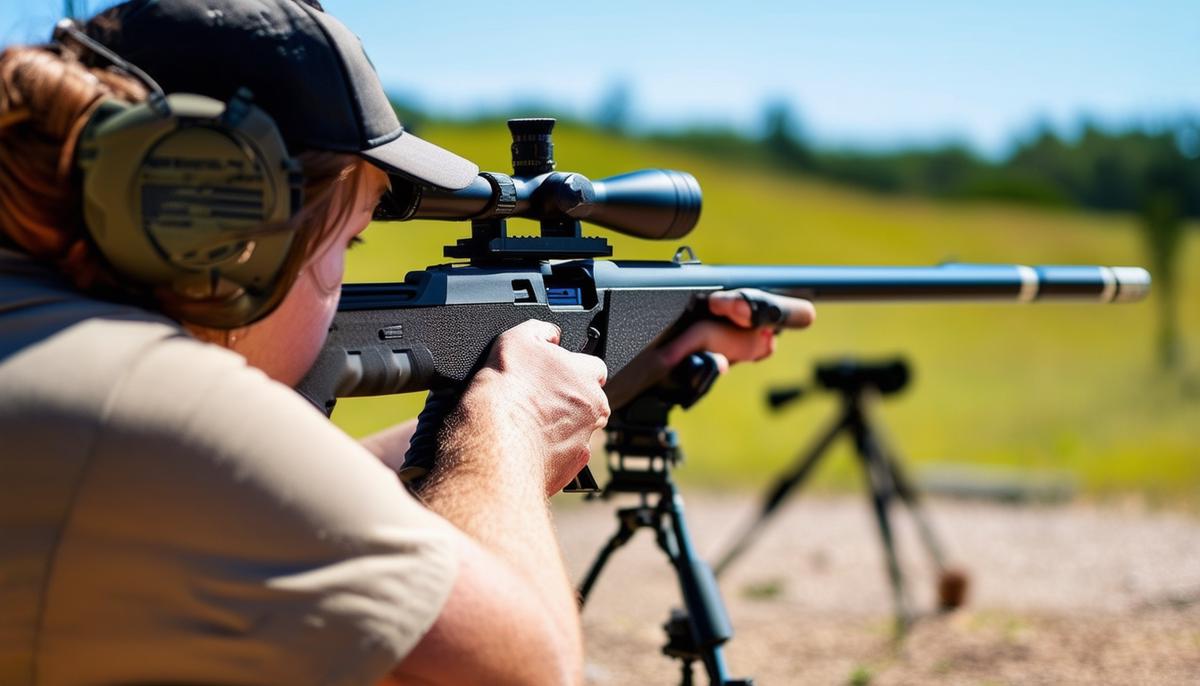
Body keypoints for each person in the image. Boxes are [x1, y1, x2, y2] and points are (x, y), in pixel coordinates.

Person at [0, 1, 815, 684]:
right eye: (347, 245)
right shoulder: (146, 407)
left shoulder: (58, 352)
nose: (344, 274)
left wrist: (601, 378)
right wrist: (514, 429)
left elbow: (291, 496)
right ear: (217, 234)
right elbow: (522, 673)